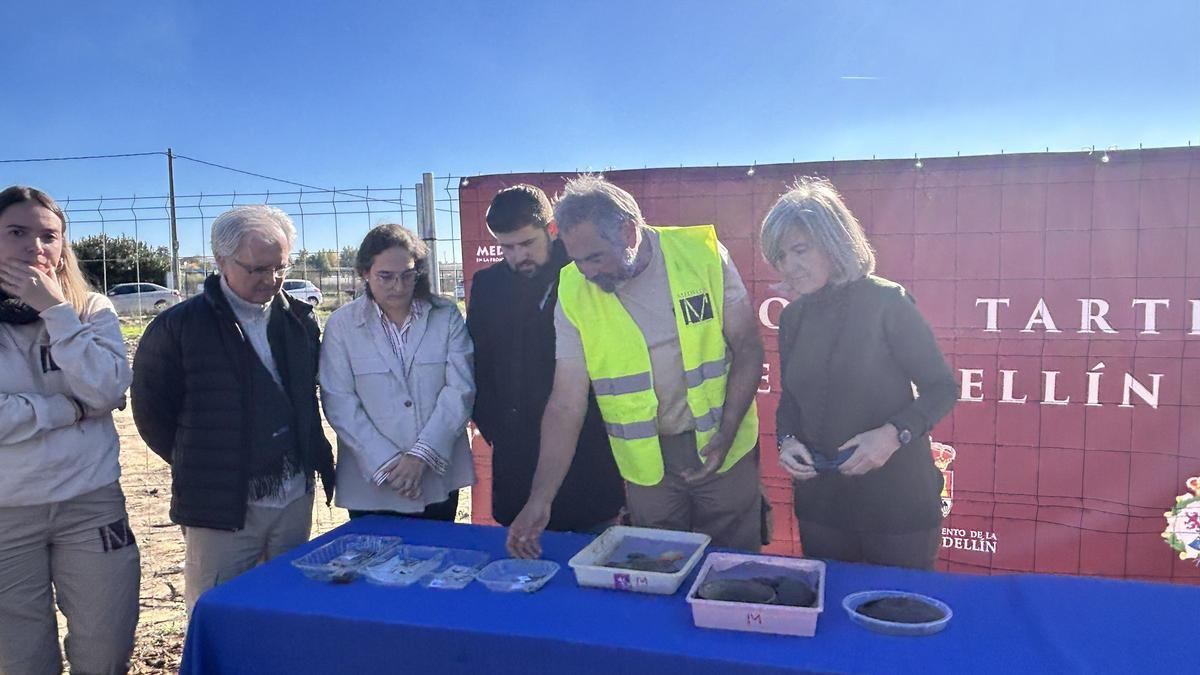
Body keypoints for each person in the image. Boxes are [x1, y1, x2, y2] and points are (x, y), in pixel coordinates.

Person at [507, 175, 765, 558]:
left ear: (629, 232)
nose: (588, 273)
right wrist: (540, 498)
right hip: (648, 463)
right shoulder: (573, 289)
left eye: (595, 257)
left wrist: (726, 434)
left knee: (735, 565)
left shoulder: (701, 254)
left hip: (725, 443)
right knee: (658, 566)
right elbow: (565, 403)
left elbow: (747, 347)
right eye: (577, 260)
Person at [131, 205, 334, 613]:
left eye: (279, 267)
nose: (271, 280)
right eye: (256, 269)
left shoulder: (299, 320)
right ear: (221, 261)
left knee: (289, 609)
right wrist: (210, 459)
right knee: (220, 612)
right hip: (220, 506)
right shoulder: (179, 328)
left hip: (294, 495)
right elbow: (153, 415)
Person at [763, 178, 957, 569]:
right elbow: (791, 401)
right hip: (822, 508)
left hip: (897, 509)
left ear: (834, 242)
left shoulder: (888, 301)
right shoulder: (794, 318)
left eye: (800, 249)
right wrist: (785, 441)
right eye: (781, 256)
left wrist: (891, 435)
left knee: (896, 618)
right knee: (831, 618)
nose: (790, 266)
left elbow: (943, 388)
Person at [0, 186, 140, 674]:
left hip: (90, 500)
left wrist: (57, 312)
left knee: (107, 644)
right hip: (7, 511)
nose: (35, 247)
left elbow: (105, 388)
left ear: (64, 247)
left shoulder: (89, 309)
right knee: (20, 656)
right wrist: (68, 409)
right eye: (17, 233)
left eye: (48, 236)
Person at [467, 185, 624, 533]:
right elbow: (477, 367)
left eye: (527, 244)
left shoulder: (586, 273)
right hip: (516, 459)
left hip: (589, 452)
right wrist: (500, 430)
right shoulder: (488, 286)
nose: (517, 256)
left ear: (551, 230)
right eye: (506, 247)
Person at [320, 224, 475, 520]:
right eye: (386, 277)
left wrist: (420, 457)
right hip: (372, 484)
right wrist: (390, 464)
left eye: (407, 275)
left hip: (435, 476)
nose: (398, 286)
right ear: (365, 273)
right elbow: (339, 401)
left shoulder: (445, 315)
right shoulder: (341, 326)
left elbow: (460, 390)